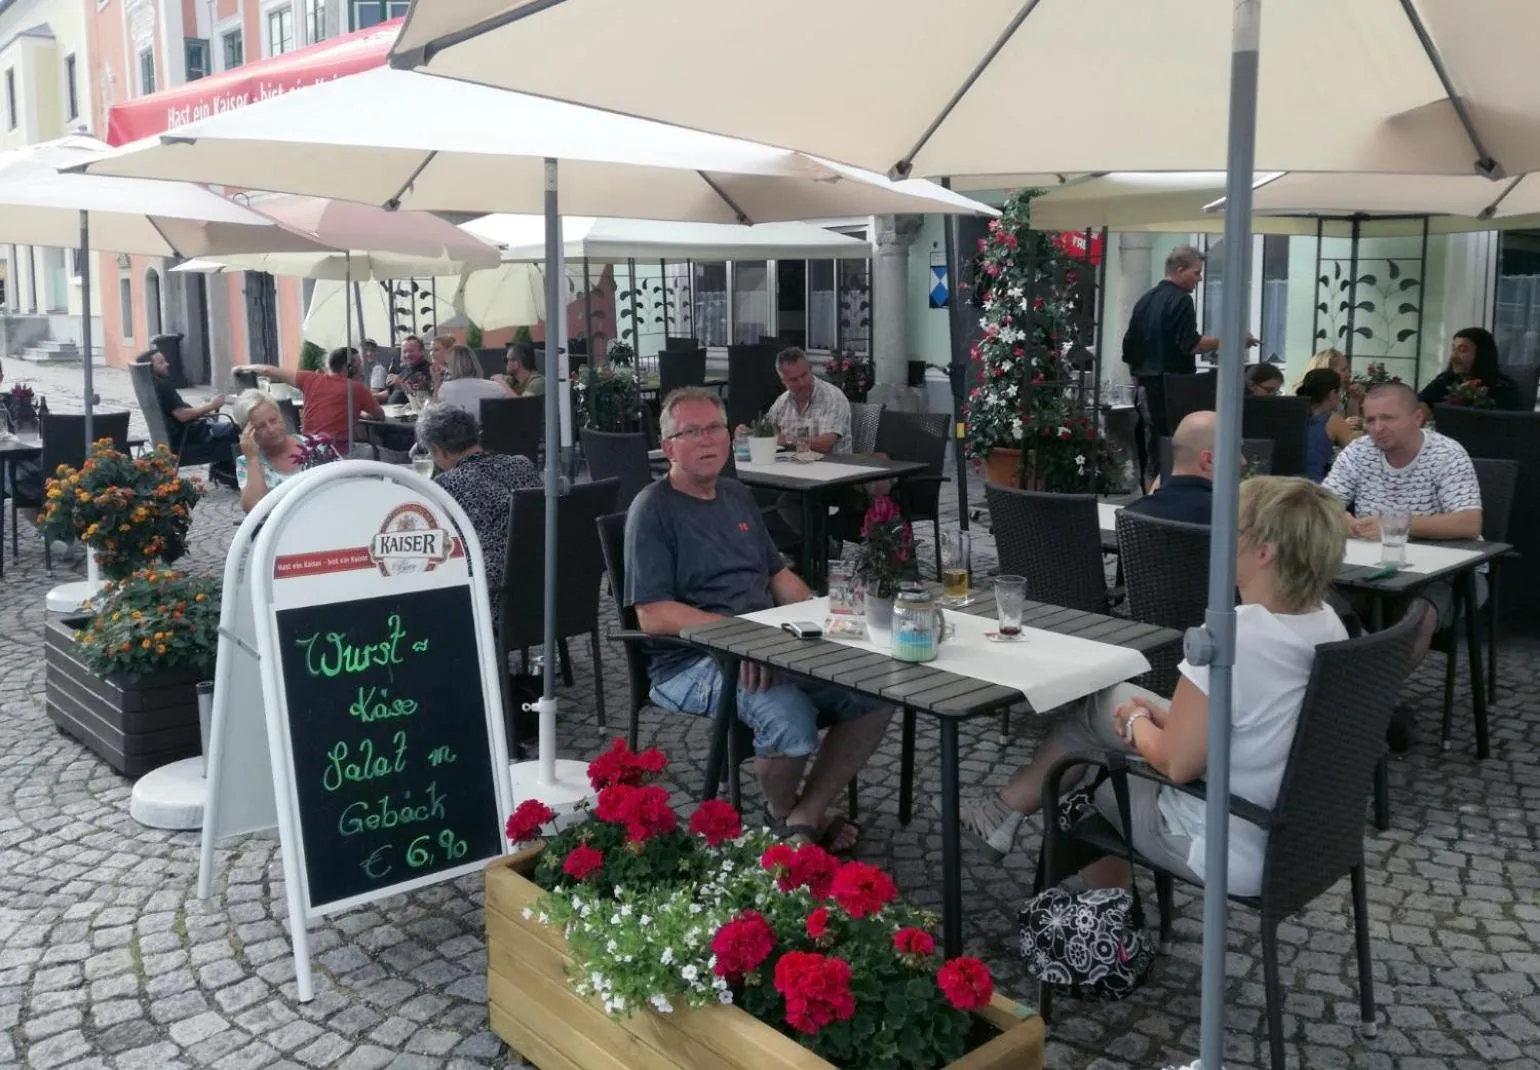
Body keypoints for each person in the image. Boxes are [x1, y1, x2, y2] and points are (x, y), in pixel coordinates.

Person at [955, 476, 1348, 897]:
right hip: (1298, 839)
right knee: (1107, 700)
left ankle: (1110, 928)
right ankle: (1004, 811)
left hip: (1222, 842)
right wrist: (1164, 718)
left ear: (1264, 553)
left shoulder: (1232, 639)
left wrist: (1140, 720)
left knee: (1095, 772)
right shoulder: (1327, 623)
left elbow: (1179, 765)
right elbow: (1258, 721)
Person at [625, 387, 892, 853]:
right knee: (789, 717)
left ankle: (804, 814)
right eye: (691, 432)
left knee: (877, 692)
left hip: (765, 640)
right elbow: (651, 614)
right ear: (668, 447)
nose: (707, 440)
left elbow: (777, 574)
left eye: (714, 429)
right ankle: (783, 811)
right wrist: (737, 637)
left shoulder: (735, 495)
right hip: (691, 659)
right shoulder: (653, 509)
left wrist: (822, 615)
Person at [1323, 382, 1482, 675]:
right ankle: (1347, 681)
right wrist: (1341, 518)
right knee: (1309, 594)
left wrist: (1396, 525)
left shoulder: (1446, 454)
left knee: (1419, 618)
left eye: (1388, 418)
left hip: (1445, 572)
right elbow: (1324, 502)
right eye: (1370, 420)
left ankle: (1374, 700)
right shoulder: (1359, 451)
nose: (1377, 428)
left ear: (1417, 418)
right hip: (1370, 568)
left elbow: (1469, 523)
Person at [1122, 245, 1256, 483]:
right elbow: (1191, 345)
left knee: (1154, 448)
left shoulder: (1145, 300)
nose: (1200, 278)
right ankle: (1175, 495)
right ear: (1180, 270)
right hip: (1172, 388)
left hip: (1144, 384)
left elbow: (1129, 347)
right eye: (1196, 273)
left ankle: (1152, 498)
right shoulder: (1181, 300)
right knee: (1177, 448)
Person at [416, 404, 539, 621]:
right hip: (545, 588)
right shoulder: (523, 465)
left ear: (437, 449)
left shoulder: (446, 485)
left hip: (492, 601)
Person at [233, 347, 383, 444]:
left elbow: (267, 370)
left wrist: (242, 367)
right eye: (359, 365)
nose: (361, 369)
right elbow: (379, 416)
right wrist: (361, 414)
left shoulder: (310, 378)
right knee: (371, 450)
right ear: (349, 368)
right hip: (340, 452)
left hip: (308, 446)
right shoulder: (357, 388)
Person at [232, 389, 338, 513]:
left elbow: (346, 482)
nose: (271, 429)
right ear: (248, 432)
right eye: (261, 426)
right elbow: (254, 509)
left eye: (273, 420)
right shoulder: (247, 463)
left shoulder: (317, 446)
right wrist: (252, 459)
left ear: (281, 415)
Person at [144, 350, 237, 488]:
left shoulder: (151, 385)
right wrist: (212, 405)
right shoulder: (162, 387)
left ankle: (222, 468)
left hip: (181, 433)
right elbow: (182, 416)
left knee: (224, 429)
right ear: (151, 367)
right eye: (161, 362)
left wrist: (206, 406)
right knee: (236, 429)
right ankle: (226, 471)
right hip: (188, 435)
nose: (167, 364)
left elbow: (182, 411)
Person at [1125, 410, 1216, 525]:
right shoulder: (1231, 516)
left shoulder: (1132, 514)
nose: (1243, 461)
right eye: (1236, 452)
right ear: (1208, 460)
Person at [1418, 326, 1525, 415]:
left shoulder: (1502, 388)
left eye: (1462, 350)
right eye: (1454, 349)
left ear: (1481, 354)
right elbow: (1421, 402)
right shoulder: (1445, 380)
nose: (1454, 357)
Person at [765, 347, 851, 454]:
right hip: (793, 466)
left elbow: (826, 445)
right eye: (794, 379)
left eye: (804, 375)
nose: (802, 383)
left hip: (833, 466)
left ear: (810, 369)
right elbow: (766, 430)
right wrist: (747, 433)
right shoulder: (783, 401)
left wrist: (787, 441)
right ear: (783, 381)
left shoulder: (832, 396)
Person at [1295, 369, 1360, 482]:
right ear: (1332, 394)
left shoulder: (1292, 414)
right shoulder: (1332, 420)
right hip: (1314, 488)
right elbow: (1359, 453)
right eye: (1339, 392)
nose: (1340, 397)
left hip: (1283, 486)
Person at [436, 344, 513, 414]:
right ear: (474, 362)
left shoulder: (445, 389)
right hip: (489, 428)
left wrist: (436, 383)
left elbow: (433, 413)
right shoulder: (496, 387)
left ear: (452, 366)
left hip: (458, 429)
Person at [1293, 347, 1362, 417]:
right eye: (1343, 370)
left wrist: (1354, 398)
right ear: (1327, 371)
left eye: (1348, 370)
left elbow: (1352, 424)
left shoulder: (1337, 397)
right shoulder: (1312, 405)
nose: (1348, 375)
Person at [378, 335, 431, 403]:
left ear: (422, 351)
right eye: (404, 352)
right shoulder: (404, 368)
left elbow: (422, 398)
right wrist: (373, 396)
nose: (407, 355)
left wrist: (401, 384)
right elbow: (391, 393)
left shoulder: (429, 370)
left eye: (411, 351)